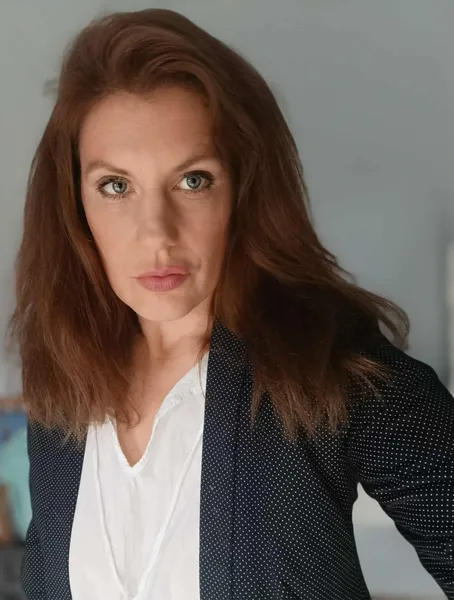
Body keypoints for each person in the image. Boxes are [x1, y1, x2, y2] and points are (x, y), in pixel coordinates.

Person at [11, 9, 453, 600]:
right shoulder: (66, 388)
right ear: (75, 207)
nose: (157, 233)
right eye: (116, 186)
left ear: (244, 191)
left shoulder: (325, 374)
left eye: (193, 180)